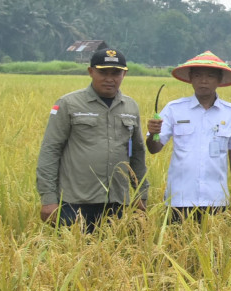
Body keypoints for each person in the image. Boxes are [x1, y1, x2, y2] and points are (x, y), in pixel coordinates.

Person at [36, 47, 148, 231]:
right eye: (103, 72)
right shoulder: (69, 104)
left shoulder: (130, 106)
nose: (110, 78)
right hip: (75, 202)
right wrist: (48, 199)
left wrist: (141, 193)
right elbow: (50, 150)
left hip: (117, 201)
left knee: (115, 256)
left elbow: (137, 152)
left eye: (116, 73)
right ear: (91, 72)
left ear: (124, 74)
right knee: (72, 256)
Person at [146, 51, 231, 222]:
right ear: (191, 79)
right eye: (198, 76)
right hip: (179, 198)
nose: (204, 81)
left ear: (219, 80)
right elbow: (154, 148)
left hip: (216, 198)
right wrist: (153, 135)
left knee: (215, 246)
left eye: (210, 76)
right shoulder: (174, 109)